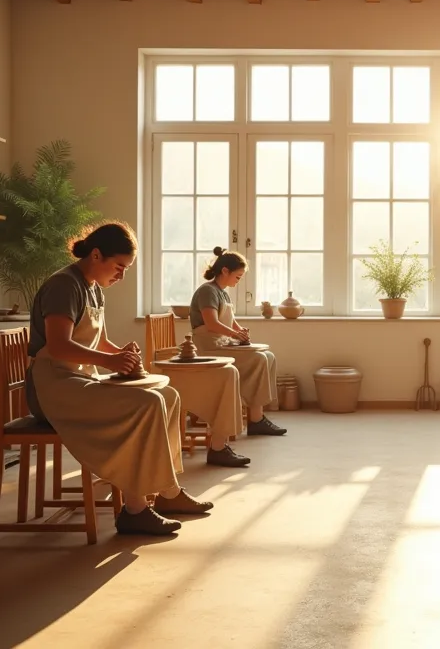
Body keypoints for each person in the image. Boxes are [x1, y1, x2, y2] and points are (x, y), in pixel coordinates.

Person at [26, 222, 213, 537]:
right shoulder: (65, 286)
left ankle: (168, 491)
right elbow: (59, 346)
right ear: (96, 255)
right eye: (119, 267)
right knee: (147, 402)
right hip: (53, 387)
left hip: (79, 379)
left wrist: (120, 352)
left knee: (169, 397)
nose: (122, 275)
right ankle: (135, 509)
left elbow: (95, 341)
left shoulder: (94, 287)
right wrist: (110, 361)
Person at [189, 247, 286, 436]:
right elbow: (211, 323)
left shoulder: (222, 292)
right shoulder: (207, 291)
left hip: (221, 343)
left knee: (268, 356)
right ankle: (256, 419)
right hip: (209, 348)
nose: (238, 281)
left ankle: (256, 414)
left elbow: (229, 321)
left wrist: (239, 331)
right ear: (225, 270)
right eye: (238, 276)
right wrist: (234, 335)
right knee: (259, 359)